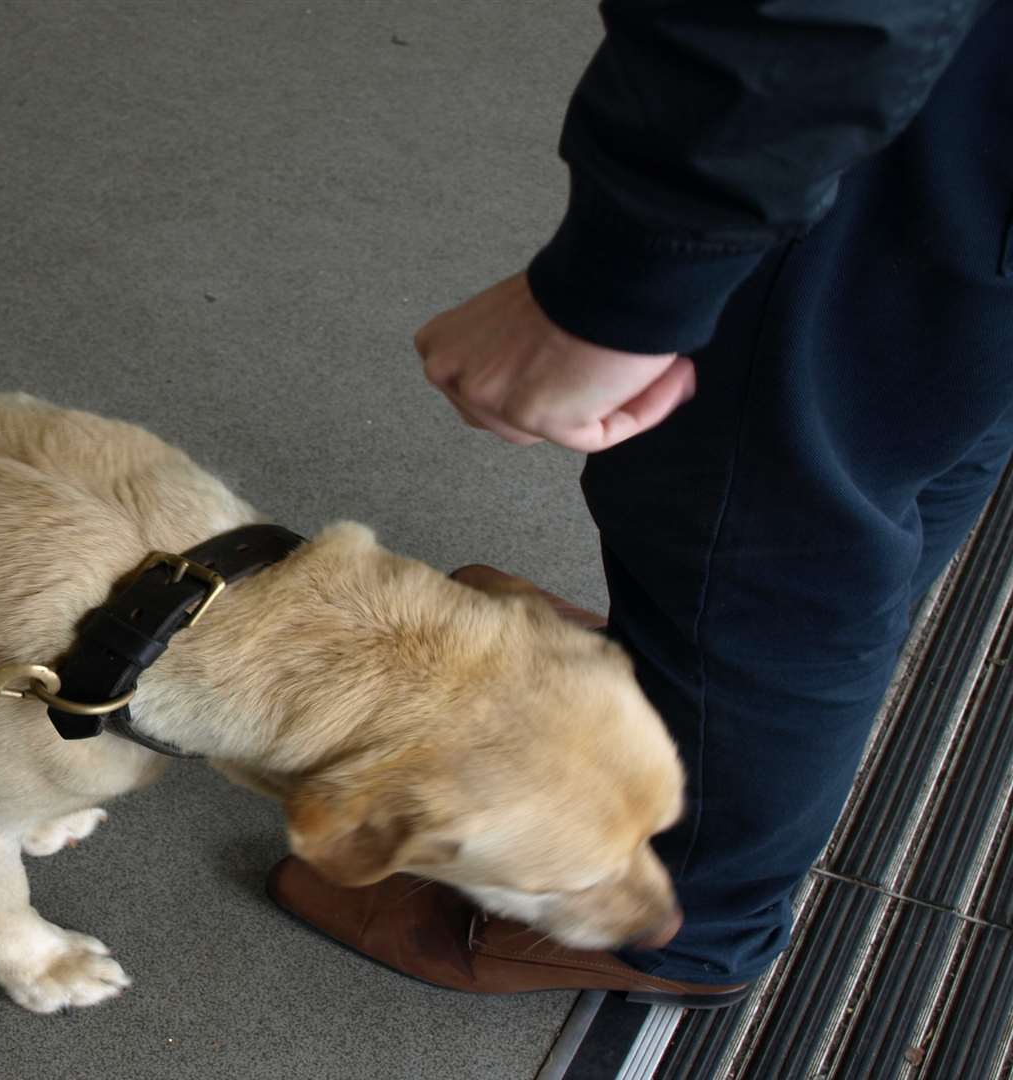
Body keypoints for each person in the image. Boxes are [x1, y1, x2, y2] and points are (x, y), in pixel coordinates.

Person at [269, 0, 1013, 1006]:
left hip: (883, 97)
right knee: (916, 406)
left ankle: (690, 918)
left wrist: (628, 289)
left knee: (763, 523)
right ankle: (707, 687)